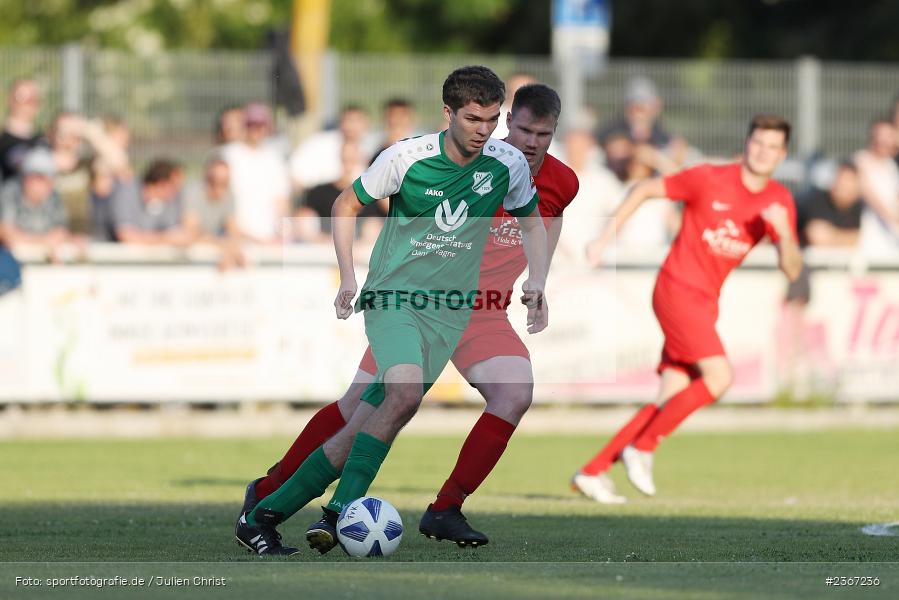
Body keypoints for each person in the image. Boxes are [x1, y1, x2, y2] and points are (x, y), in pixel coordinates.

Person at [238, 82, 577, 552]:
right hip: (417, 304)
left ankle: (444, 508)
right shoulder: (472, 160)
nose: (531, 142)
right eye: (523, 130)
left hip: (480, 313)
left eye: (543, 134)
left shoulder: (555, 180)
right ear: (508, 122)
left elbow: (544, 225)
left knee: (514, 393)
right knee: (359, 411)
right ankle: (270, 493)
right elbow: (379, 204)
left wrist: (538, 282)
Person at [574, 114, 802, 502]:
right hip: (676, 289)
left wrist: (783, 233)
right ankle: (642, 448)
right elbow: (644, 189)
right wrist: (603, 239)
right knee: (720, 377)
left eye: (773, 147)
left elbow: (792, 269)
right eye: (758, 143)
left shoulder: (779, 200)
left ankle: (593, 472)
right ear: (747, 143)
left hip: (705, 302)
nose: (763, 152)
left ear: (782, 155)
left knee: (670, 398)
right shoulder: (710, 177)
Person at [221, 103, 290, 244]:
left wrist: (281, 233)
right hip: (235, 238)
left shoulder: (275, 159)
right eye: (251, 124)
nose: (256, 129)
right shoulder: (227, 155)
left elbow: (281, 202)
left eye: (260, 124)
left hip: (269, 239)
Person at [0, 148, 70, 260]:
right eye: (34, 177)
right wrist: (44, 241)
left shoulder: (54, 196)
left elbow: (61, 232)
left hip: (41, 259)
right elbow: (5, 233)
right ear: (24, 178)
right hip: (10, 260)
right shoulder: (9, 192)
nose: (37, 184)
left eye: (43, 178)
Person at [111, 159, 188, 245]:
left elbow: (178, 234)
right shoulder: (126, 192)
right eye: (175, 186)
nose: (178, 191)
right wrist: (164, 239)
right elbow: (126, 236)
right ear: (161, 183)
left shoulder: (169, 202)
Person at [854, 120, 899, 257]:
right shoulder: (860, 160)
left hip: (891, 238)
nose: (885, 141)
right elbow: (872, 198)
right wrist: (895, 220)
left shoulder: (891, 166)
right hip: (866, 237)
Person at [0, 79, 42, 180]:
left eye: (32, 99)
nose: (27, 104)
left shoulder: (43, 139)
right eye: (21, 97)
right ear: (10, 99)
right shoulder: (2, 138)